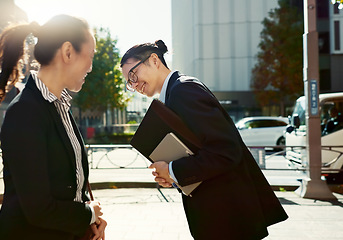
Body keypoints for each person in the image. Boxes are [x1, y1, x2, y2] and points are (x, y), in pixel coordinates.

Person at [120, 40, 288, 240]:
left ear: (154, 60)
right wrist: (173, 175)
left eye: (133, 75)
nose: (134, 84)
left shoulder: (183, 91)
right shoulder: (175, 93)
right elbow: (200, 151)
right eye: (129, 82)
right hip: (222, 215)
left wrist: (173, 170)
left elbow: (225, 151)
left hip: (227, 218)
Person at [0, 15, 106, 240]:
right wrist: (88, 213)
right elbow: (39, 209)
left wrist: (91, 221)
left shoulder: (60, 106)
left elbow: (70, 186)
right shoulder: (25, 112)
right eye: (90, 56)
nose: (91, 67)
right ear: (68, 52)